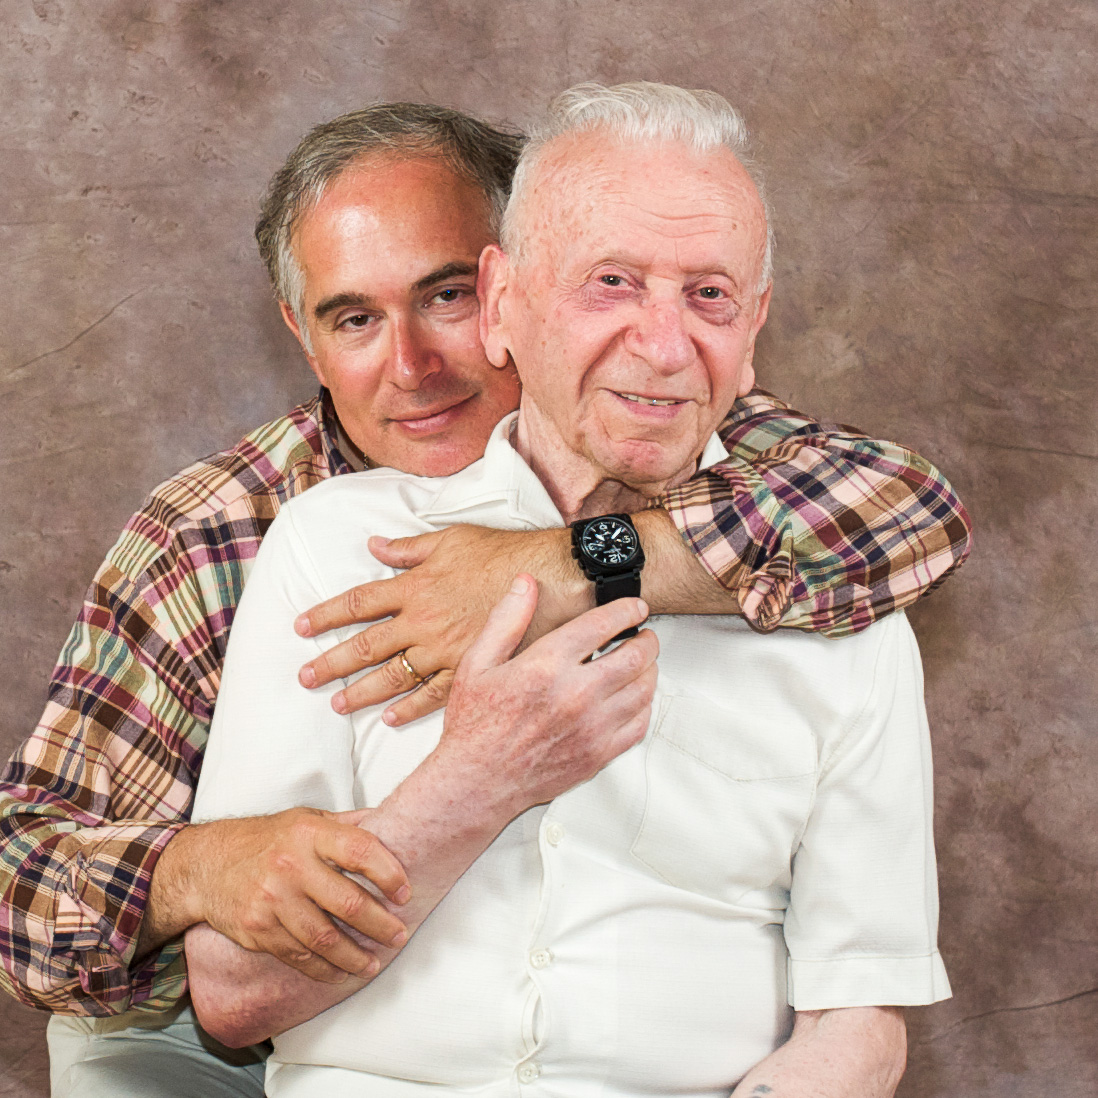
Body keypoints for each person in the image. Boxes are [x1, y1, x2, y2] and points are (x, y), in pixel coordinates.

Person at [1, 102, 969, 1097]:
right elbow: (28, 873)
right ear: (304, 335)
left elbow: (911, 512)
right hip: (192, 1023)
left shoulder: (698, 427)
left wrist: (565, 563)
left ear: (506, 294)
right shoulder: (241, 530)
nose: (413, 367)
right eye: (355, 318)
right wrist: (202, 869)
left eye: (447, 295)